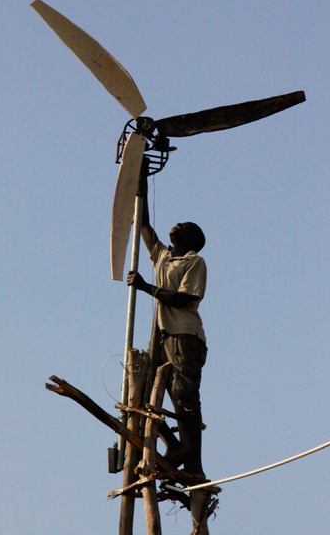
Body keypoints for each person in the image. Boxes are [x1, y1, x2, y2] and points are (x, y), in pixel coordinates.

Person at [126, 168, 207, 481]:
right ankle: (174, 446)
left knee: (185, 402)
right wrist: (140, 180)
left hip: (185, 338)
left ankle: (194, 467)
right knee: (144, 397)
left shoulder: (193, 262)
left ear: (190, 241)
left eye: (184, 226)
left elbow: (184, 298)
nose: (178, 224)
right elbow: (143, 225)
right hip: (162, 339)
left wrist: (148, 288)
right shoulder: (162, 256)